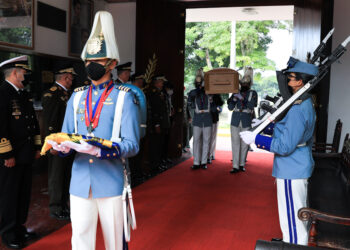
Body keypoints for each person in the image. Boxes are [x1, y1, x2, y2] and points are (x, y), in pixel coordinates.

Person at [48, 11, 140, 250]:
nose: (91, 67)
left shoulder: (124, 97)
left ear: (111, 64)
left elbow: (132, 144)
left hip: (110, 181)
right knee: (80, 240)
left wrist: (100, 150)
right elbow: (66, 135)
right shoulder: (76, 98)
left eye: (97, 62)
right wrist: (60, 147)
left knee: (114, 243)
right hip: (79, 181)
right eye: (88, 62)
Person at [240, 57, 318, 246]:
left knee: (293, 222)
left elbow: (285, 146)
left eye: (291, 77)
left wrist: (257, 139)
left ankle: (293, 247)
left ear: (300, 81)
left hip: (292, 168)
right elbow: (289, 131)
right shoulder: (302, 102)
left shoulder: (299, 108)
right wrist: (266, 128)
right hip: (296, 165)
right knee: (295, 220)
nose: (288, 81)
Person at [0, 55, 41, 249]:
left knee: (23, 193)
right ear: (15, 73)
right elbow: (1, 128)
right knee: (9, 195)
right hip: (11, 156)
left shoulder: (23, 94)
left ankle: (19, 226)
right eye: (24, 71)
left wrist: (36, 146)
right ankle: (8, 233)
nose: (26, 75)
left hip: (25, 153)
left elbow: (32, 124)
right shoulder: (3, 93)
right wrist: (7, 155)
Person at [42, 63, 76, 220]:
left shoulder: (67, 93)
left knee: (66, 173)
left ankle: (64, 205)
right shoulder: (52, 94)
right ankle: (56, 207)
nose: (71, 80)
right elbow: (50, 121)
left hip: (68, 141)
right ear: (65, 77)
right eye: (70, 78)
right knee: (56, 175)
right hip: (57, 142)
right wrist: (52, 145)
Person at [227, 67, 257, 174]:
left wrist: (242, 98)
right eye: (242, 83)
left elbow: (252, 105)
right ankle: (235, 165)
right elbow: (230, 107)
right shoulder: (236, 91)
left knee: (245, 143)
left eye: (246, 83)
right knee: (235, 143)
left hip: (246, 118)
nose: (244, 85)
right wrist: (233, 99)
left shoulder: (253, 93)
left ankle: (241, 164)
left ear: (249, 84)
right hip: (235, 118)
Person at [187, 68, 216, 170]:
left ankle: (203, 162)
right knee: (196, 141)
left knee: (206, 141)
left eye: (201, 83)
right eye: (198, 83)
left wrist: (212, 101)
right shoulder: (192, 93)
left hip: (207, 119)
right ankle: (196, 162)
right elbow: (189, 105)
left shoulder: (210, 92)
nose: (199, 85)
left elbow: (213, 108)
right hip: (197, 118)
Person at [147, 75, 170, 173]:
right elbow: (154, 110)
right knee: (155, 145)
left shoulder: (161, 92)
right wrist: (156, 124)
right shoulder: (153, 93)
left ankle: (159, 163)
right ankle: (154, 165)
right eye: (161, 81)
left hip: (163, 122)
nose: (162, 83)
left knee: (160, 144)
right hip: (157, 123)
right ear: (156, 82)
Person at [207, 94, 224, 163]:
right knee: (206, 138)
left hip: (214, 119)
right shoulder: (204, 94)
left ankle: (211, 154)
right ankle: (207, 155)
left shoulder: (217, 95)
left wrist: (216, 108)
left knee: (212, 138)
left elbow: (220, 108)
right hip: (205, 119)